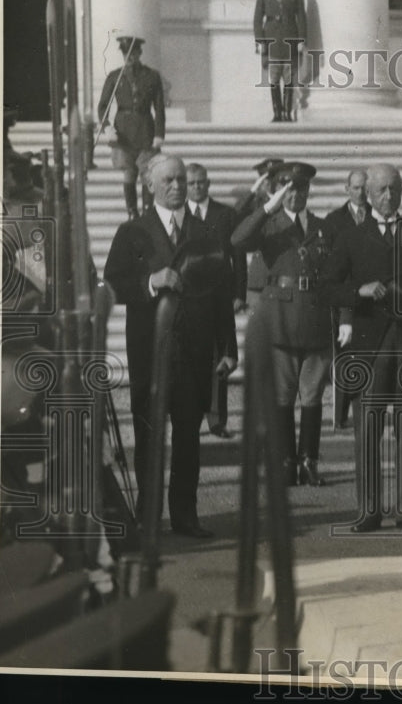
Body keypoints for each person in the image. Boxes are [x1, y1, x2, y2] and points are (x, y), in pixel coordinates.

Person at [104, 154, 237, 537]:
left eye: (181, 179)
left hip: (195, 353)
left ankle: (185, 516)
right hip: (151, 352)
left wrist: (228, 347)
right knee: (149, 437)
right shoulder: (132, 232)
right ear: (150, 186)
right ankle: (148, 518)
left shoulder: (206, 232)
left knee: (187, 439)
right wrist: (150, 280)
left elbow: (221, 293)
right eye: (169, 181)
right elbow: (112, 286)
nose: (177, 186)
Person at [321, 164, 402, 533]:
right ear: (367, 193)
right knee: (369, 430)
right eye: (381, 190)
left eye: (394, 189)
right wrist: (356, 291)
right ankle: (370, 511)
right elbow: (325, 287)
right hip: (369, 348)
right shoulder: (350, 237)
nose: (388, 196)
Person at [232, 162, 335, 486]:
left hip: (316, 316)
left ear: (307, 192)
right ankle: (285, 461)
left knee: (313, 395)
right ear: (280, 192)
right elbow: (237, 240)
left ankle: (308, 461)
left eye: (300, 190)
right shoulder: (270, 225)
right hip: (279, 318)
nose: (295, 196)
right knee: (282, 396)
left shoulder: (322, 226)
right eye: (288, 191)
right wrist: (267, 207)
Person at [186, 163, 248, 438]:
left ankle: (216, 420)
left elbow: (239, 257)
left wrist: (239, 294)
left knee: (220, 358)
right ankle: (188, 418)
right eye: (192, 183)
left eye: (201, 182)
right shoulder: (179, 215)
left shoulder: (226, 214)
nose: (197, 187)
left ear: (208, 183)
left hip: (220, 297)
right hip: (189, 299)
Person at [97, 36, 166, 219]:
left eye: (133, 53)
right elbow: (103, 106)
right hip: (123, 132)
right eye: (125, 53)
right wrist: (107, 128)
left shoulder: (152, 76)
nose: (129, 57)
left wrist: (159, 134)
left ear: (139, 53)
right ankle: (131, 212)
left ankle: (147, 211)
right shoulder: (114, 76)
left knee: (147, 172)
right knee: (128, 173)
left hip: (145, 130)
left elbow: (159, 108)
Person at [324, 168, 372, 430]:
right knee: (344, 356)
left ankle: (364, 410)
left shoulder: (376, 216)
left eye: (365, 187)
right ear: (347, 189)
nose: (361, 193)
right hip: (344, 296)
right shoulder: (333, 220)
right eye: (356, 187)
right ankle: (340, 415)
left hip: (370, 297)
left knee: (366, 355)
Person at [253, 0, 306, 123]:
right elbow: (257, 19)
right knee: (274, 79)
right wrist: (261, 42)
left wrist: (301, 40)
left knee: (289, 79)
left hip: (290, 38)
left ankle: (287, 114)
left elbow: (302, 18)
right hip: (272, 41)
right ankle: (277, 113)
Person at [234, 158, 285, 310]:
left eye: (273, 178)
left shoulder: (288, 200)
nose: (269, 182)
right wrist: (252, 191)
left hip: (284, 274)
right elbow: (234, 215)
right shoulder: (256, 203)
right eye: (265, 178)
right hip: (260, 275)